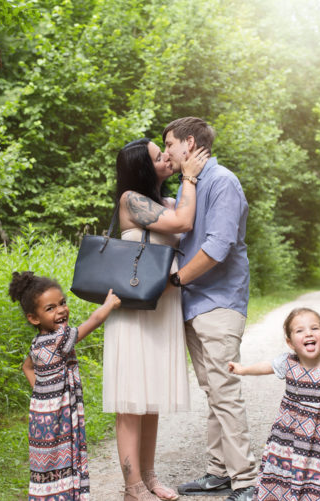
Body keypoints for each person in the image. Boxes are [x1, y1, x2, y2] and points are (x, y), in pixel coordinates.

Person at [103, 138, 209, 501]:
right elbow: (183, 220)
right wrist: (190, 178)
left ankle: (149, 477)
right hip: (134, 312)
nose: (166, 157)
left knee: (151, 400)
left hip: (162, 307)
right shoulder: (131, 199)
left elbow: (186, 226)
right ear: (142, 167)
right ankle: (132, 488)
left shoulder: (161, 201)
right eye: (157, 155)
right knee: (131, 403)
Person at [162, 117, 258, 501]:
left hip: (219, 300)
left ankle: (247, 481)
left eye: (169, 144)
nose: (166, 151)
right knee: (213, 390)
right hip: (194, 303)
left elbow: (218, 247)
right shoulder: (192, 185)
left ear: (188, 143)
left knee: (224, 390)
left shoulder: (222, 182)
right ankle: (219, 472)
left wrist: (175, 281)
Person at [9, 271, 121, 501]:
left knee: (47, 466)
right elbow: (93, 321)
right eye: (50, 308)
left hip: (41, 417)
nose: (61, 310)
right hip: (57, 419)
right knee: (63, 460)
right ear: (34, 318)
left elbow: (27, 367)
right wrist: (109, 304)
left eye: (62, 303)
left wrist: (41, 395)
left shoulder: (37, 343)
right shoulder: (59, 338)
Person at [228, 307, 320, 501]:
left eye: (314, 328)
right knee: (281, 474)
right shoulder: (288, 363)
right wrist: (243, 370)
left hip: (318, 441)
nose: (309, 333)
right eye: (300, 330)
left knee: (317, 481)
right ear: (290, 342)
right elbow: (267, 366)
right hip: (286, 436)